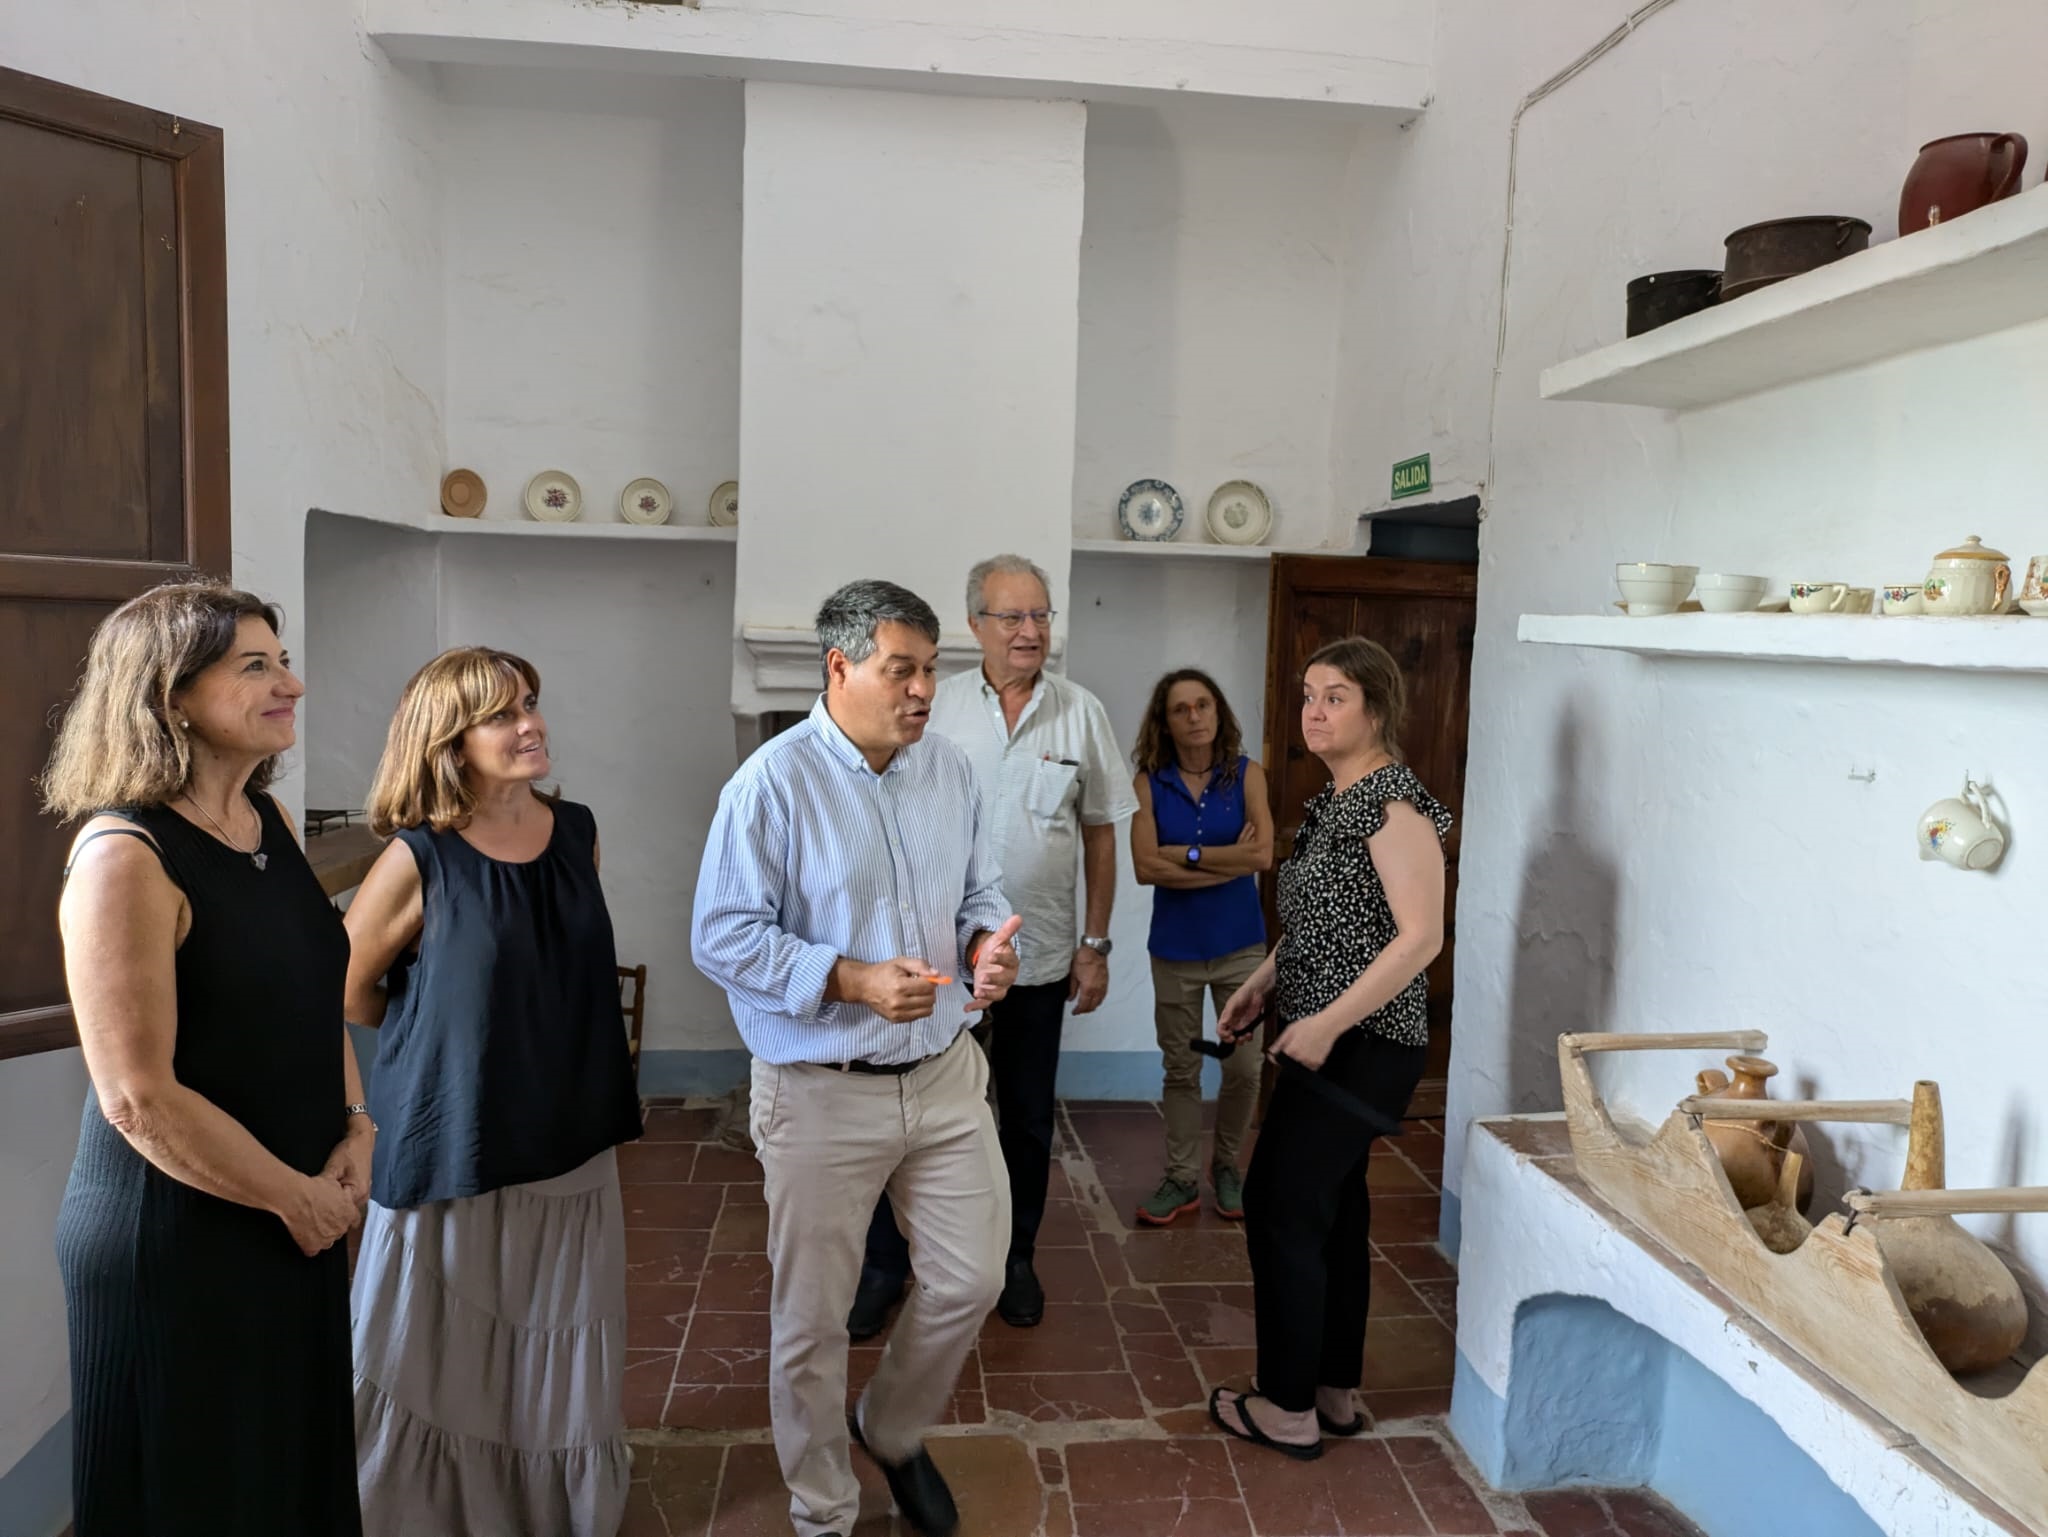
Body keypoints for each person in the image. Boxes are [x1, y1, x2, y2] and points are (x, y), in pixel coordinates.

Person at [692, 579, 1023, 1537]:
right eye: (901, 670)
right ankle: (823, 1507)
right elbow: (721, 936)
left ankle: (891, 1426)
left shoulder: (948, 771)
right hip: (821, 1090)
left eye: (932, 670)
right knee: (813, 1320)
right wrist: (851, 979)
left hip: (945, 1074)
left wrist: (984, 949)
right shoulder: (771, 784)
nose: (923, 690)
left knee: (974, 1278)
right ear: (839, 667)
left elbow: (979, 893)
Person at [45, 580, 366, 1536]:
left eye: (284, 661)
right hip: (181, 1231)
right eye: (255, 666)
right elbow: (137, 1098)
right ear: (171, 696)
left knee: (284, 1479)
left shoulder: (267, 823)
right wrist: (293, 1195)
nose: (291, 685)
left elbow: (313, 996)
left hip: (292, 1211)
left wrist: (356, 1125)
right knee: (195, 1496)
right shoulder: (125, 855)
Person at [342, 646, 644, 1535]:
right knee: (436, 1337)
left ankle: (547, 1503)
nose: (531, 724)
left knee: (557, 1320)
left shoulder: (578, 830)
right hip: (455, 1128)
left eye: (531, 703)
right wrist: (440, 1030)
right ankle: (422, 1504)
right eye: (503, 714)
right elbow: (348, 986)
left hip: (568, 1120)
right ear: (450, 740)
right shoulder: (419, 856)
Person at [850, 554, 1136, 1337]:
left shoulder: (1081, 712)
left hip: (1038, 959)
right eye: (1012, 616)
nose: (1029, 631)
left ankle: (1016, 1257)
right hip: (941, 963)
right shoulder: (933, 708)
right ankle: (884, 1266)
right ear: (975, 623)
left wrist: (1095, 944)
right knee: (908, 1112)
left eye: (1040, 615)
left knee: (1027, 1119)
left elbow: (1101, 833)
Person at [1205, 635, 1451, 1461]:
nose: (1314, 711)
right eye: (1309, 694)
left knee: (1279, 1204)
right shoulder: (1339, 800)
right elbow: (1324, 922)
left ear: (1377, 709)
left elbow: (1420, 938)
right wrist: (1264, 982)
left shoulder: (1391, 807)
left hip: (1363, 1044)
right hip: (1329, 1036)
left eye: (1335, 696)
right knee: (1334, 1211)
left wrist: (1326, 1022)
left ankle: (1286, 1406)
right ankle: (1333, 1391)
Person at [1127, 669, 1273, 1225]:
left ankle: (1228, 1167)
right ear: (1165, 722)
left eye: (1203, 705)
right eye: (1180, 709)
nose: (1194, 716)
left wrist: (1185, 856)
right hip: (1175, 952)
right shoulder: (1148, 783)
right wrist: (1227, 863)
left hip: (1241, 948)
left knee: (1244, 1069)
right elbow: (1146, 868)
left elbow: (1261, 857)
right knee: (1182, 1069)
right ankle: (1182, 1177)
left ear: (1218, 712)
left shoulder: (1247, 775)